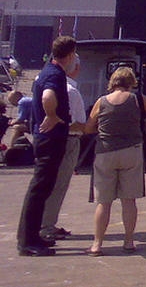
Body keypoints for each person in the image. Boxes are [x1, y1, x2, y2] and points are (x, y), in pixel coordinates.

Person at [83, 66, 146, 255]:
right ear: (131, 83)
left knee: (104, 202)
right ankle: (128, 241)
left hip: (105, 152)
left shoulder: (101, 102)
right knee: (129, 200)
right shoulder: (137, 99)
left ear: (112, 82)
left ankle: (97, 244)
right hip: (131, 152)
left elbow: (88, 128)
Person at [16, 36, 79, 255]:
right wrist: (51, 115)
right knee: (39, 189)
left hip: (46, 139)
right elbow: (48, 96)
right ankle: (27, 242)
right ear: (70, 55)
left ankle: (33, 236)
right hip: (50, 139)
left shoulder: (47, 70)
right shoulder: (54, 74)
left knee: (42, 189)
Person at [41, 54, 87, 242]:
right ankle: (46, 226)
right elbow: (79, 124)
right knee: (59, 185)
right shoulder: (71, 91)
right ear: (75, 68)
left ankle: (44, 223)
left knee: (46, 185)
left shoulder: (43, 82)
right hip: (68, 141)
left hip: (46, 140)